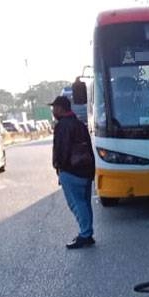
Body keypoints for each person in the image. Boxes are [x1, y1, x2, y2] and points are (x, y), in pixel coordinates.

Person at [50, 95, 96, 248]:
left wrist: (59, 167)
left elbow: (61, 150)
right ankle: (87, 232)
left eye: (54, 108)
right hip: (85, 171)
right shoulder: (79, 124)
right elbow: (89, 149)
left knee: (76, 204)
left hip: (71, 171)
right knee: (85, 203)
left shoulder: (62, 126)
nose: (53, 111)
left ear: (60, 109)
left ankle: (85, 234)